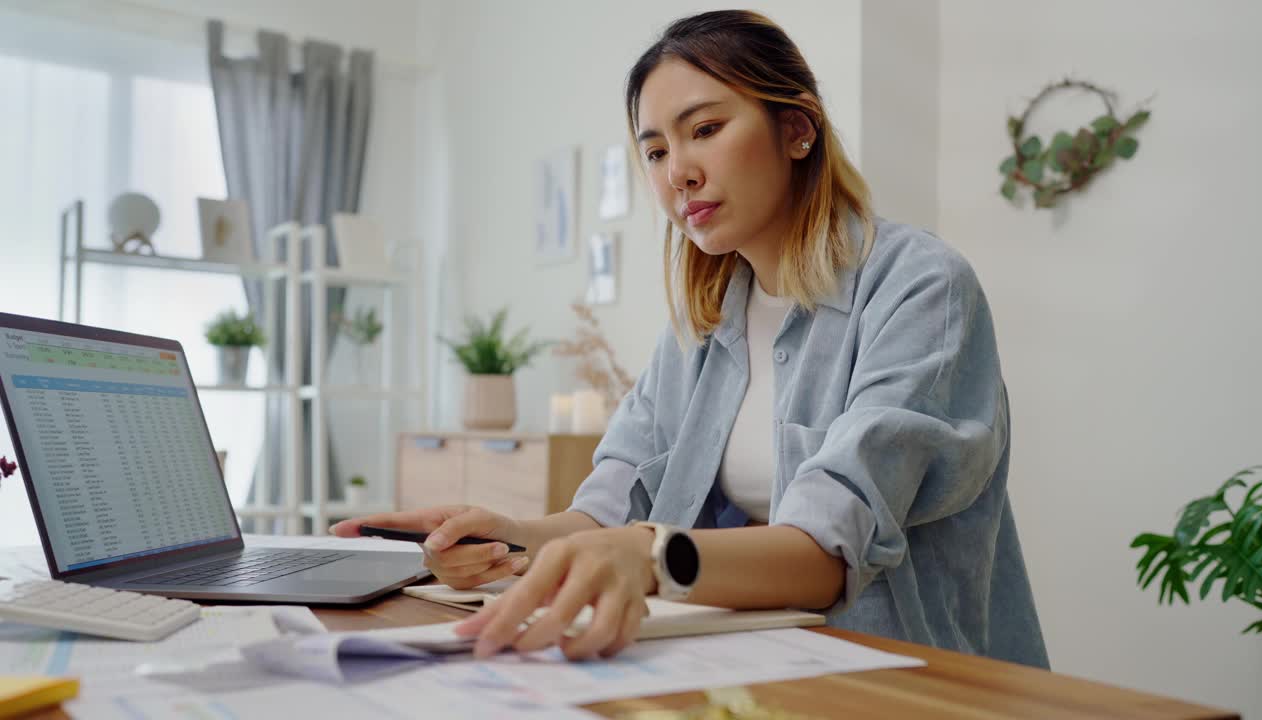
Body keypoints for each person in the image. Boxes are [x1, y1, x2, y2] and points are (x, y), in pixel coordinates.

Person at [334, 9, 1049, 668]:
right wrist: (502, 537)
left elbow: (830, 552)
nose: (678, 172)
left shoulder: (921, 286)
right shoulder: (704, 327)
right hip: (755, 664)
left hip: (907, 681)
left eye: (704, 129)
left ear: (797, 130)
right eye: (654, 150)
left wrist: (648, 556)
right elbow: (608, 509)